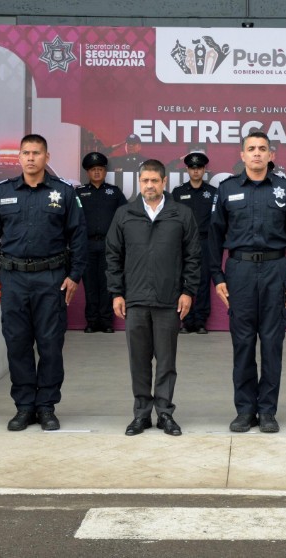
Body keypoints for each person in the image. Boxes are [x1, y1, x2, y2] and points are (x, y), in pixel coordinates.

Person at [0, 133, 87, 432]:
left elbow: (78, 237)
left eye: (36, 153)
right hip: (12, 280)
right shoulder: (2, 193)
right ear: (20, 157)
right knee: (18, 344)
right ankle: (24, 406)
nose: (30, 158)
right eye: (26, 153)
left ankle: (46, 406)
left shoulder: (63, 193)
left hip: (51, 279)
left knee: (51, 345)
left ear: (46, 157)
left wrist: (74, 276)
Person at [208, 130, 286, 433]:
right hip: (238, 271)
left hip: (275, 270)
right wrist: (217, 276)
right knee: (242, 344)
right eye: (250, 148)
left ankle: (267, 411)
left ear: (271, 155)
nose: (256, 154)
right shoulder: (226, 190)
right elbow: (213, 237)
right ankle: (244, 410)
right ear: (242, 155)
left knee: (272, 344)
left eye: (262, 149)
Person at [105, 160, 201, 436]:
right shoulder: (124, 215)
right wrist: (117, 293)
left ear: (164, 182)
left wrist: (187, 291)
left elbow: (193, 256)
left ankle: (165, 413)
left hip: (169, 300)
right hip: (134, 300)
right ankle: (141, 414)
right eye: (145, 181)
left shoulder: (181, 214)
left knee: (167, 362)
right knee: (139, 360)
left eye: (154, 181)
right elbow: (113, 256)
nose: (149, 185)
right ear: (139, 183)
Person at [76, 152, 127, 333]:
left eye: (100, 169)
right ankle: (91, 322)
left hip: (109, 245)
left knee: (107, 284)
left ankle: (106, 322)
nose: (97, 172)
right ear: (87, 172)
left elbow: (125, 217)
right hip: (86, 245)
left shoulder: (114, 192)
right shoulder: (79, 193)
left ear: (105, 171)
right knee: (90, 284)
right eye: (93, 170)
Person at [172, 151, 217, 334]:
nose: (196, 171)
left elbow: (218, 221)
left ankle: (200, 321)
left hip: (205, 242)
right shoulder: (178, 192)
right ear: (187, 169)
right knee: (183, 280)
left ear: (204, 169)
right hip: (183, 243)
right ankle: (186, 320)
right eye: (192, 168)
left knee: (204, 281)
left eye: (199, 168)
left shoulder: (213, 193)